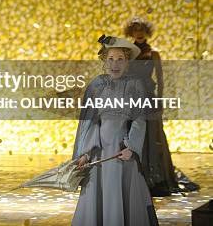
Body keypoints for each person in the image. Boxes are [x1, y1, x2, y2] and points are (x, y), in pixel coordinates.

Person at [72, 35, 158, 226]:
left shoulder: (135, 85)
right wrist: (85, 152)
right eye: (110, 59)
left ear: (127, 62)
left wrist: (131, 147)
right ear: (104, 61)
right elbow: (91, 121)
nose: (115, 64)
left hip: (122, 153)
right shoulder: (96, 85)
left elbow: (139, 119)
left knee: (122, 196)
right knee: (98, 197)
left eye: (120, 59)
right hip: (99, 155)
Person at [124, 16, 198, 195]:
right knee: (132, 133)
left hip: (149, 96)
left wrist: (160, 100)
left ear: (146, 32)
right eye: (136, 29)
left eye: (142, 29)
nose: (139, 32)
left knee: (152, 134)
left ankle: (154, 176)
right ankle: (132, 175)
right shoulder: (127, 53)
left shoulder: (154, 54)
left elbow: (161, 79)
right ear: (131, 33)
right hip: (132, 97)